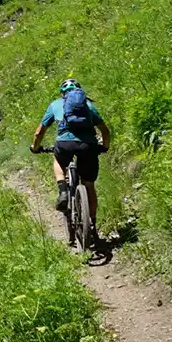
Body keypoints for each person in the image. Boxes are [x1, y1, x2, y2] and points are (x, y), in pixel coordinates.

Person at [30, 79, 111, 232]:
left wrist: (35, 147)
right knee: (89, 185)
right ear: (79, 91)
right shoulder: (88, 105)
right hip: (88, 146)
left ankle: (63, 191)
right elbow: (105, 131)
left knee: (59, 161)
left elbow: (39, 132)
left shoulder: (55, 105)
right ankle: (92, 224)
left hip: (64, 144)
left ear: (62, 93)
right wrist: (104, 147)